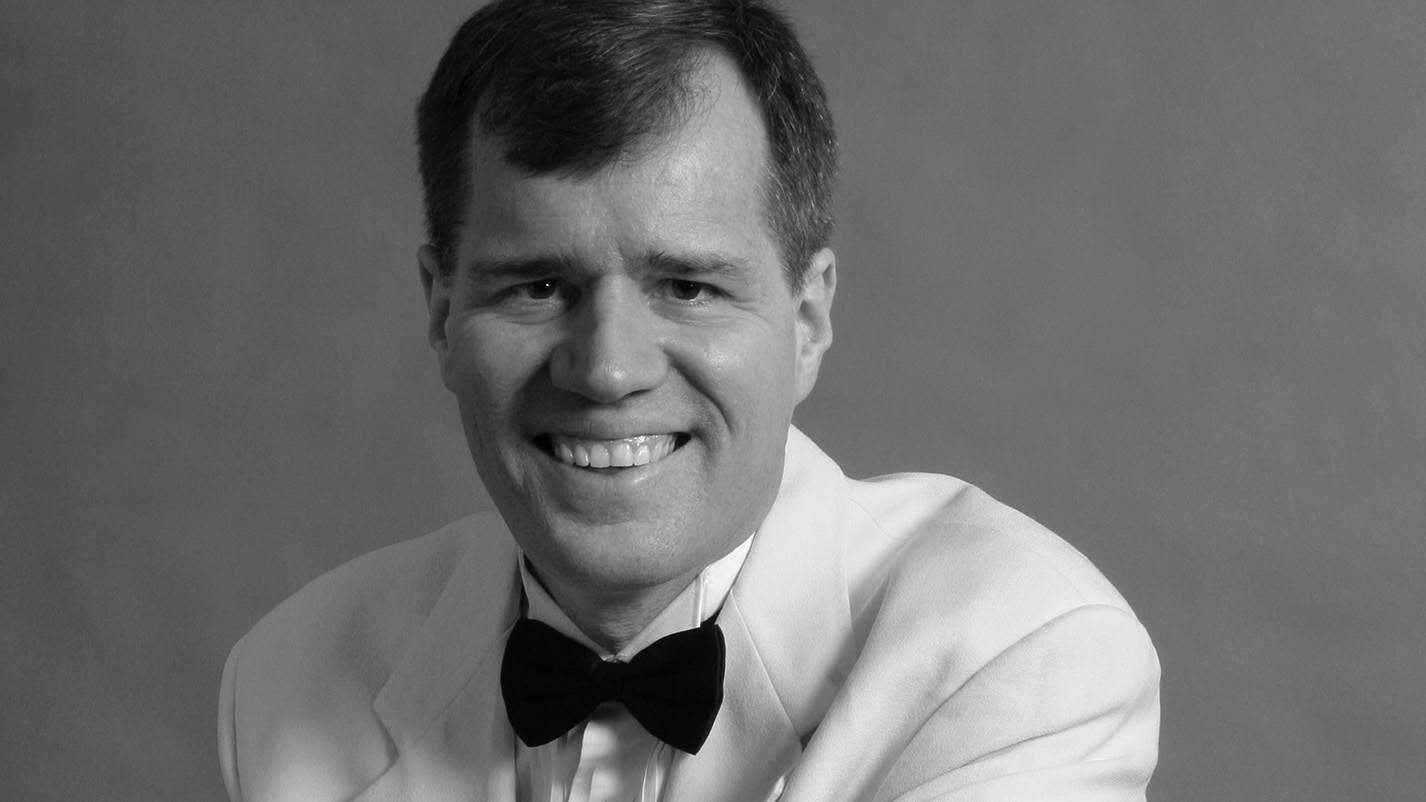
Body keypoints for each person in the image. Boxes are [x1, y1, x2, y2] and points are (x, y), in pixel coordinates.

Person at [217, 1, 1161, 800]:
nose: (607, 371)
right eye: (538, 287)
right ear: (441, 312)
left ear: (807, 321)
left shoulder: (1020, 652)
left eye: (688, 287)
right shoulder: (285, 683)